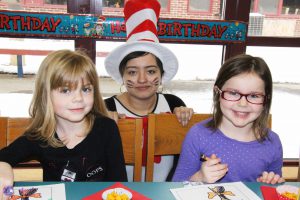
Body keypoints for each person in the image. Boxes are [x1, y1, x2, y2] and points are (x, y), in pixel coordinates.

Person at [0, 50, 127, 197]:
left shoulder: (107, 129)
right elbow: (3, 157)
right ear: (46, 95)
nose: (78, 98)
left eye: (86, 89)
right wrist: (3, 166)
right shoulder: (40, 136)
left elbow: (120, 184)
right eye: (66, 90)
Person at [104, 0, 193, 181]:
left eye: (151, 71)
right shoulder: (107, 108)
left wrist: (185, 117)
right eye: (132, 72)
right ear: (122, 75)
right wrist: (100, 124)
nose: (142, 79)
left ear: (161, 74)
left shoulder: (174, 104)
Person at [172, 54, 285, 184]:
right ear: (217, 93)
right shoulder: (198, 135)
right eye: (233, 93)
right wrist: (199, 178)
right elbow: (177, 186)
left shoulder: (272, 142)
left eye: (254, 96)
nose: (243, 104)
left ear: (266, 99)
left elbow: (276, 185)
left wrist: (271, 182)